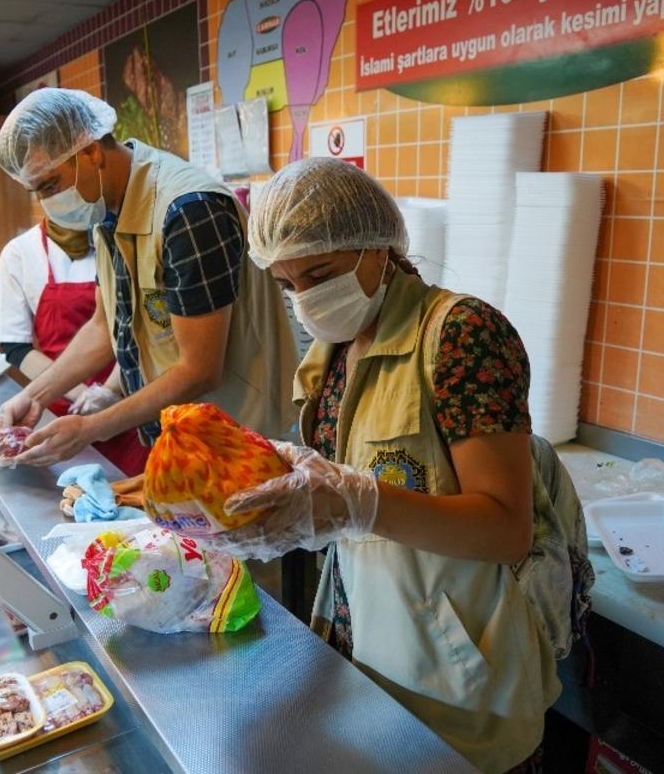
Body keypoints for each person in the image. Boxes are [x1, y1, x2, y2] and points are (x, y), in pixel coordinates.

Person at [200, 159, 593, 774]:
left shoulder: (461, 334)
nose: (304, 298)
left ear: (378, 247)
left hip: (460, 675)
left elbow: (504, 528)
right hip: (368, 651)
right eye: (287, 284)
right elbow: (353, 474)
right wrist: (296, 491)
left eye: (319, 273)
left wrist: (359, 502)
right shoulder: (332, 349)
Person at [0, 88, 298, 466]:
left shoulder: (188, 211)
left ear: (90, 151)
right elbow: (103, 328)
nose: (47, 203)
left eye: (50, 185)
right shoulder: (105, 211)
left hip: (235, 442)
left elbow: (198, 369)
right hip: (178, 437)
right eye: (36, 191)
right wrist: (32, 396)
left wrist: (90, 428)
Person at [0, 216, 150, 475]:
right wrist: (77, 395)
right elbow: (15, 347)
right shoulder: (20, 252)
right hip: (60, 416)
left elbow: (136, 331)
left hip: (132, 405)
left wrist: (109, 391)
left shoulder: (119, 240)